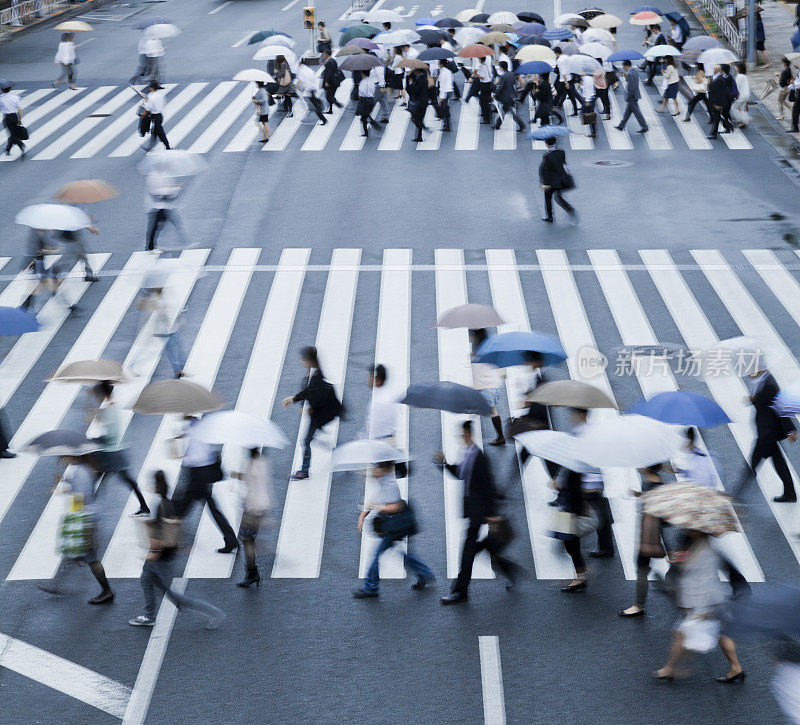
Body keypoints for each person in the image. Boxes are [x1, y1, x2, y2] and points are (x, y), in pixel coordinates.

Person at [437, 420, 520, 605]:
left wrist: (492, 514)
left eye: (463, 434)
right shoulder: (466, 454)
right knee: (479, 548)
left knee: (467, 552)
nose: (462, 437)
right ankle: (508, 569)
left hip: (480, 512)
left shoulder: (479, 456)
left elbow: (488, 485)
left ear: (469, 434)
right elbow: (460, 474)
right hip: (473, 510)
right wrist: (443, 464)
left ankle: (460, 591)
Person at [129, 470, 224, 628]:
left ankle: (215, 613)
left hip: (161, 557)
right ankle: (149, 615)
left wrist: (153, 553)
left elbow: (159, 538)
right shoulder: (167, 503)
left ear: (156, 486)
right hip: (165, 555)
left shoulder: (161, 507)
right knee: (146, 580)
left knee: (175, 597)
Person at [654, 530, 744, 684]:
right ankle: (736, 668)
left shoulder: (705, 553)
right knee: (722, 634)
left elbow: (705, 583)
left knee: (681, 634)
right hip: (713, 601)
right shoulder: (698, 547)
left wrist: (699, 612)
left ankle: (669, 669)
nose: (686, 529)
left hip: (704, 603)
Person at [39, 455, 115, 605]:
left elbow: (82, 498)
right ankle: (57, 585)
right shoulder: (81, 470)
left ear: (71, 456)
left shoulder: (81, 472)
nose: (61, 460)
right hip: (84, 517)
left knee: (91, 559)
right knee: (74, 553)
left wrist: (80, 523)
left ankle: (107, 591)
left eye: (63, 458)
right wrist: (64, 483)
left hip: (86, 519)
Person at [353, 461, 435, 598]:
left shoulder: (389, 484)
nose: (373, 469)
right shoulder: (384, 479)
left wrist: (377, 507)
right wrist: (363, 515)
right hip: (393, 525)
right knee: (402, 554)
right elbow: (376, 499)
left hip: (393, 526)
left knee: (376, 555)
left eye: (376, 467)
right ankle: (424, 573)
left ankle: (371, 588)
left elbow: (396, 507)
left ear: (384, 469)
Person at [171, 416, 239, 553]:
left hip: (197, 475)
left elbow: (198, 456)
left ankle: (172, 541)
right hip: (201, 475)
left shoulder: (196, 431)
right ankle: (231, 539)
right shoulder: (198, 427)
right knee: (211, 508)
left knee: (179, 508)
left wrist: (185, 457)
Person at [736, 365, 797, 503]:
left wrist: (789, 430)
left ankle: (738, 493)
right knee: (780, 464)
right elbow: (763, 401)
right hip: (768, 433)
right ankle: (790, 493)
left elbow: (781, 407)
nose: (750, 371)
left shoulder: (769, 385)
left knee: (753, 463)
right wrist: (752, 400)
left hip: (767, 434)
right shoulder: (761, 382)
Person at [89, 381, 150, 516]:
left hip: (112, 452)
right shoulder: (112, 406)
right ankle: (144, 506)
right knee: (124, 479)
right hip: (118, 450)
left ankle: (88, 504)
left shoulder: (108, 410)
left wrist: (98, 439)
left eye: (97, 394)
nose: (96, 397)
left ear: (103, 394)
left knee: (97, 477)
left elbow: (111, 434)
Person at [282, 345, 342, 481]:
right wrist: (303, 404)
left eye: (302, 359)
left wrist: (293, 399)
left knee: (306, 441)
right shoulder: (313, 372)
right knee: (313, 439)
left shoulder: (316, 375)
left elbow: (311, 391)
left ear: (309, 360)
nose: (301, 362)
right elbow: (309, 391)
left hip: (319, 414)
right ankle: (339, 453)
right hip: (317, 413)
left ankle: (304, 470)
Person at [571, 408, 614, 558]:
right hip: (596, 478)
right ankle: (607, 547)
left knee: (576, 510)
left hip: (586, 481)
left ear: (581, 415)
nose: (572, 417)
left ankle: (566, 539)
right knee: (601, 514)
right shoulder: (595, 431)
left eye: (574, 414)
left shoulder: (578, 433)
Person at [234, 448, 273, 589]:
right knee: (249, 538)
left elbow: (250, 480)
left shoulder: (253, 466)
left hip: (253, 507)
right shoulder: (262, 461)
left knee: (247, 540)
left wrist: (238, 474)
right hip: (260, 504)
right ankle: (252, 571)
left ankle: (252, 573)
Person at [469, 329, 505, 446]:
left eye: (471, 334)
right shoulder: (484, 348)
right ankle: (500, 437)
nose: (469, 336)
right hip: (489, 386)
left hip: (486, 386)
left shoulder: (481, 351)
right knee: (491, 411)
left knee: (483, 410)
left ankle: (469, 437)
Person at [144, 165, 184, 251]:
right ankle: (150, 246)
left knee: (162, 224)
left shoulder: (165, 175)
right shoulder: (152, 177)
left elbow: (168, 189)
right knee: (156, 226)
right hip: (155, 206)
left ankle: (151, 246)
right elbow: (155, 191)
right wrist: (172, 189)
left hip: (164, 205)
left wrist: (175, 188)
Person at [539, 137, 576, 223]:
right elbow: (563, 164)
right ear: (555, 143)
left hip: (551, 181)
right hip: (561, 180)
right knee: (558, 197)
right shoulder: (561, 152)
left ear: (546, 144)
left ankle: (550, 216)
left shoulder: (547, 156)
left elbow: (545, 170)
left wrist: (544, 182)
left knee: (548, 198)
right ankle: (570, 209)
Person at [614, 60, 648, 133]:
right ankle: (621, 125)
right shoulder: (634, 71)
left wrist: (629, 96)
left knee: (637, 112)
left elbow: (631, 86)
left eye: (623, 67)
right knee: (627, 112)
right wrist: (626, 77)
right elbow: (633, 81)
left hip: (632, 96)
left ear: (626, 66)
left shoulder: (630, 73)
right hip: (634, 94)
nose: (623, 68)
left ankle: (645, 126)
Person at [136, 81, 171, 151]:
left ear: (151, 88)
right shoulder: (160, 95)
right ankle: (150, 147)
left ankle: (167, 147)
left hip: (155, 117)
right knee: (155, 132)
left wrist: (145, 101)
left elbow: (148, 108)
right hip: (160, 115)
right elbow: (164, 103)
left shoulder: (151, 97)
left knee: (160, 133)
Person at [492, 61, 525, 132]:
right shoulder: (511, 74)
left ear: (501, 67)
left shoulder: (503, 76)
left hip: (506, 97)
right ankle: (497, 125)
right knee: (505, 110)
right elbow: (513, 83)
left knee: (508, 111)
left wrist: (495, 94)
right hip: (512, 95)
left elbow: (500, 87)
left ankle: (521, 125)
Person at [707, 64, 736, 139]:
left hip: (717, 102)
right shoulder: (714, 78)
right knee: (717, 117)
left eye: (714, 69)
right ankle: (727, 126)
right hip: (713, 101)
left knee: (716, 118)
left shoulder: (720, 79)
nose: (713, 70)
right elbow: (710, 88)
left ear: (717, 70)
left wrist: (719, 104)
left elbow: (722, 93)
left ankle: (714, 133)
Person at [0, 82, 26, 158]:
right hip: (15, 116)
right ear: (10, 88)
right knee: (13, 133)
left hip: (7, 118)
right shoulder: (15, 97)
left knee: (12, 134)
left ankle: (21, 144)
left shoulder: (1, 98)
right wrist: (20, 119)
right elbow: (20, 109)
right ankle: (8, 149)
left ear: (2, 90)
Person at [407, 67, 429, 143]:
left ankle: (423, 128)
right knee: (419, 118)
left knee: (415, 118)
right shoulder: (423, 78)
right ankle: (419, 136)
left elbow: (414, 90)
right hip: (423, 102)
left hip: (420, 102)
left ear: (417, 71)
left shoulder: (420, 79)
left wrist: (410, 82)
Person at [357, 70, 380, 137]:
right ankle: (367, 131)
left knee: (365, 116)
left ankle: (375, 126)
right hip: (371, 99)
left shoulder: (363, 82)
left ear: (363, 74)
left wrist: (360, 96)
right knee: (365, 116)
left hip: (364, 100)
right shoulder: (371, 82)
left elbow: (362, 91)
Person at [320, 49, 343, 113]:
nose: (323, 55)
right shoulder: (331, 61)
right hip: (332, 82)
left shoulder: (330, 62)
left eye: (324, 54)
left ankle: (338, 104)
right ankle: (330, 109)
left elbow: (329, 73)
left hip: (331, 82)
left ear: (327, 55)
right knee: (330, 96)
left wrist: (326, 82)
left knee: (329, 96)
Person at [731, 62, 750, 129]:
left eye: (736, 67)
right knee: (742, 109)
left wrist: (735, 95)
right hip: (745, 95)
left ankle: (741, 120)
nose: (735, 68)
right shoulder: (744, 76)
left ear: (738, 68)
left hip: (741, 95)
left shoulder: (739, 76)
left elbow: (737, 87)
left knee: (734, 108)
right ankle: (745, 121)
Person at [579, 71, 597, 138]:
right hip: (592, 98)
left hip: (588, 99)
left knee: (587, 114)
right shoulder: (590, 78)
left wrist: (587, 100)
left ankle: (591, 131)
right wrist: (581, 86)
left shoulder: (585, 79)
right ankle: (593, 131)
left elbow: (587, 90)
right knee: (590, 114)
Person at [436, 58, 453, 132]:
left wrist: (441, 97)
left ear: (441, 64)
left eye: (439, 63)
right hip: (449, 90)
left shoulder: (443, 73)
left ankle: (447, 125)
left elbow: (443, 85)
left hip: (445, 92)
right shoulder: (448, 71)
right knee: (445, 107)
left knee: (444, 108)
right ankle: (446, 124)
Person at [777, 57, 793, 121]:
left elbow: (783, 81)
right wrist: (780, 75)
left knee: (779, 101)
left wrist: (778, 82)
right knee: (782, 101)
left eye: (783, 63)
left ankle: (782, 115)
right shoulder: (789, 70)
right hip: (787, 88)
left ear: (785, 63)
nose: (782, 64)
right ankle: (792, 109)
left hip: (784, 89)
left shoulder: (785, 71)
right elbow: (786, 78)